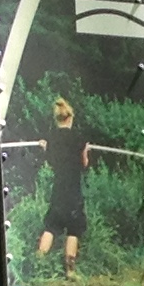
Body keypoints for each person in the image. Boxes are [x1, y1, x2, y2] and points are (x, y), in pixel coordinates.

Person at [35, 95, 91, 275]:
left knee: (51, 225)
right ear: (70, 118)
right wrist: (85, 150)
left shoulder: (51, 138)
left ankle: (39, 263)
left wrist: (45, 148)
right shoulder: (79, 138)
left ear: (57, 119)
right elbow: (84, 164)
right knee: (74, 229)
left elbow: (51, 162)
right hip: (73, 189)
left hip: (58, 189)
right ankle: (70, 270)